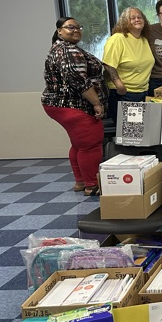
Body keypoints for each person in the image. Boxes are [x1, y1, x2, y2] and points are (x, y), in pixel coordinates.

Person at [42, 17, 108, 197]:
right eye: (70, 27)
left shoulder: (60, 48)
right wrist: (96, 102)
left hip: (60, 104)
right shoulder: (68, 50)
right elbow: (78, 80)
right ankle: (92, 185)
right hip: (74, 104)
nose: (76, 30)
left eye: (78, 27)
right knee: (91, 144)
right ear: (59, 31)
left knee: (79, 145)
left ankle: (80, 181)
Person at [102, 7, 154, 125]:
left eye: (139, 17)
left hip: (142, 92)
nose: (137, 20)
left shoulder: (143, 40)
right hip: (123, 94)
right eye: (132, 18)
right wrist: (119, 85)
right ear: (125, 21)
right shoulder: (118, 38)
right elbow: (108, 64)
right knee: (128, 134)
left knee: (138, 133)